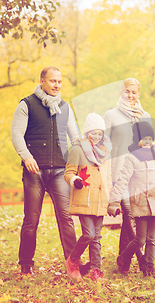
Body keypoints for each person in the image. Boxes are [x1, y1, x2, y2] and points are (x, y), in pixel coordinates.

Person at [11, 66, 78, 275]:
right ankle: (26, 265)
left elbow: (75, 138)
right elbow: (16, 134)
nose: (57, 85)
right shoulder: (27, 104)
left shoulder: (65, 107)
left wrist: (83, 157)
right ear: (42, 81)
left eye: (59, 81)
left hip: (60, 170)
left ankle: (73, 264)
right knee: (31, 220)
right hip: (35, 172)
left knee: (66, 219)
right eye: (52, 81)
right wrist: (27, 156)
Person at [107, 122, 155, 277]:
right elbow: (122, 181)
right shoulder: (132, 158)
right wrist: (114, 202)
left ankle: (149, 269)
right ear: (137, 139)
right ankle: (123, 258)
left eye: (150, 138)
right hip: (140, 205)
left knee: (152, 239)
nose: (147, 142)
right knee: (140, 240)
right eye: (144, 139)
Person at [103, 78, 151, 271]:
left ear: (138, 93)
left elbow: (148, 145)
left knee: (132, 220)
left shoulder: (145, 115)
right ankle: (142, 261)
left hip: (139, 175)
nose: (130, 95)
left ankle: (123, 261)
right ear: (121, 92)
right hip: (118, 173)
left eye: (134, 92)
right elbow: (103, 146)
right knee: (130, 215)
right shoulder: (111, 115)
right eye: (127, 91)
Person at [64, 113, 112, 282]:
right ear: (86, 133)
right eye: (93, 133)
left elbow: (108, 178)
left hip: (100, 201)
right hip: (85, 199)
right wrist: (75, 180)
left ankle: (95, 271)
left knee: (97, 238)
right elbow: (68, 173)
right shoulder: (77, 150)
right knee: (89, 234)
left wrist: (112, 200)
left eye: (100, 133)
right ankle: (73, 260)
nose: (97, 136)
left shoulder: (105, 153)